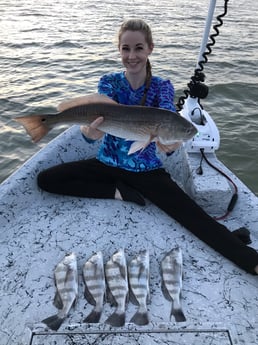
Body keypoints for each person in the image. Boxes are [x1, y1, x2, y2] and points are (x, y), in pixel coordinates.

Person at [37, 19, 258, 275]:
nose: (132, 56)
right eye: (126, 49)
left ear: (150, 49)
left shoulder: (162, 86)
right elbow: (92, 131)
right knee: (47, 179)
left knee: (193, 217)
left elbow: (168, 122)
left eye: (138, 48)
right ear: (119, 50)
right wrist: (90, 133)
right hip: (106, 164)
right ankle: (119, 192)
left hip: (147, 172)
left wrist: (172, 145)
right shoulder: (109, 82)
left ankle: (250, 260)